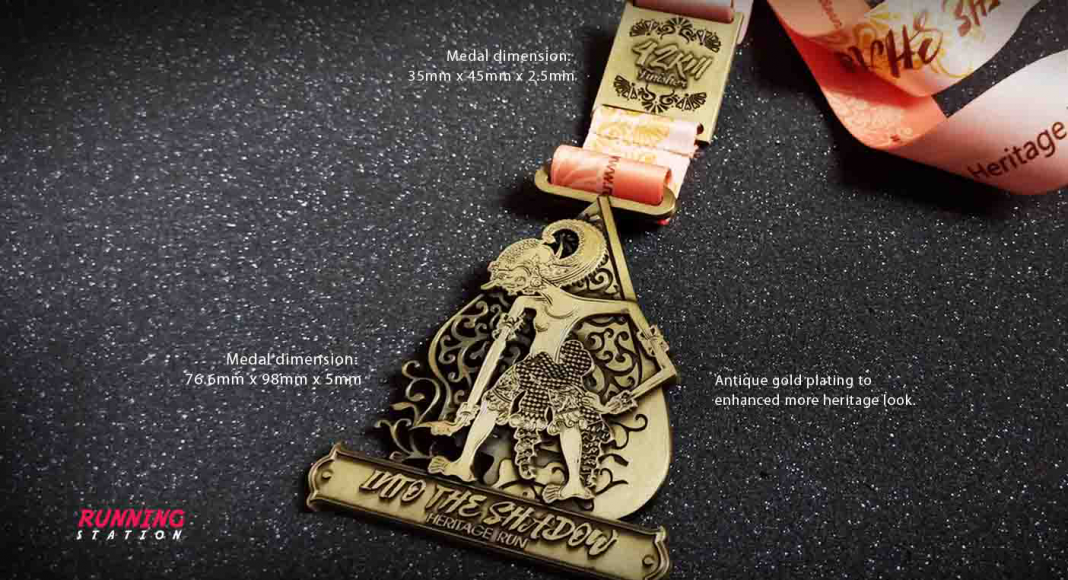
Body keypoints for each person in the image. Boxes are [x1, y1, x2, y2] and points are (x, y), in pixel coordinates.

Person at [423, 219, 640, 503]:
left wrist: (650, 339)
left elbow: (627, 308)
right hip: (527, 369)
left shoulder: (578, 305)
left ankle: (575, 484)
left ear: (534, 272)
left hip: (557, 374)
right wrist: (468, 406)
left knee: (568, 422)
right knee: (490, 406)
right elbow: (497, 347)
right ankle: (463, 463)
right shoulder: (524, 303)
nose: (512, 288)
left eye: (516, 281)